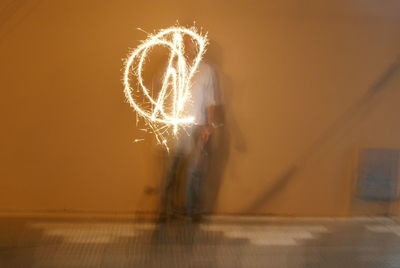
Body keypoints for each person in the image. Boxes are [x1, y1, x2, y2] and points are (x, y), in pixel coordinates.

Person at [160, 40, 218, 221]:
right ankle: (166, 210)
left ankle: (192, 211)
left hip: (197, 126)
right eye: (185, 44)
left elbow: (210, 100)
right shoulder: (172, 66)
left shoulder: (206, 70)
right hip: (175, 125)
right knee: (171, 168)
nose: (189, 48)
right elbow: (162, 93)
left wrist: (209, 125)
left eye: (192, 44)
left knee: (194, 170)